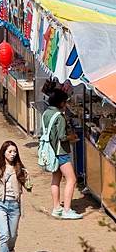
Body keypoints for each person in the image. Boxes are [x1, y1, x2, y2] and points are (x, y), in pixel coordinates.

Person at [41, 89, 83, 220]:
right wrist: (73, 137)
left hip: (51, 152)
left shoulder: (46, 113)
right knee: (72, 179)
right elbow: (62, 137)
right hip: (61, 152)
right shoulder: (60, 117)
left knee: (56, 179)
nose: (66, 104)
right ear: (60, 103)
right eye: (65, 102)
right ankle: (67, 209)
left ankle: (56, 208)